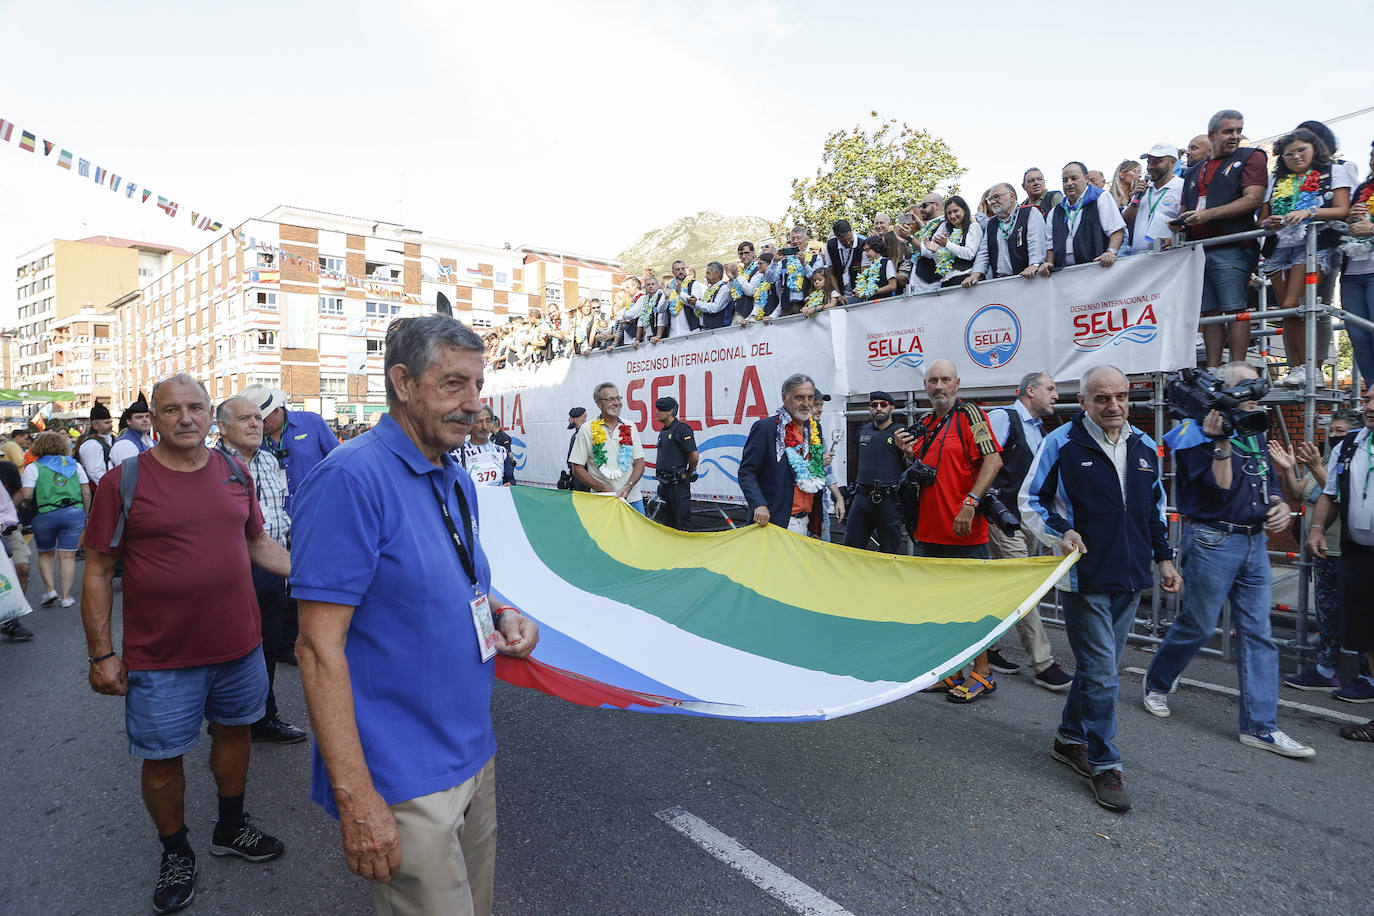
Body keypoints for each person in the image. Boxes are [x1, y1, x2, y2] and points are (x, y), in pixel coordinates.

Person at [289, 315, 539, 914]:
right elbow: (317, 649)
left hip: (473, 752)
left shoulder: (455, 474)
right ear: (403, 382)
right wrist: (358, 800)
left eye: (477, 386)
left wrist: (504, 612)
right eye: (454, 384)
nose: (473, 405)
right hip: (401, 778)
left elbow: (465, 578)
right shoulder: (350, 479)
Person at [81, 373, 292, 914]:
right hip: (161, 657)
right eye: (171, 410)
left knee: (235, 734)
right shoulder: (122, 482)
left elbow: (258, 544)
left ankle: (230, 826)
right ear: (153, 417)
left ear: (208, 414)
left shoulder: (232, 470)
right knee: (162, 758)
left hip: (240, 647)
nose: (186, 418)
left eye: (195, 407)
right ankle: (175, 850)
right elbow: (99, 571)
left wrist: (326, 577)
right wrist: (102, 653)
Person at [1019, 365, 1181, 812]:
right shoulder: (1062, 442)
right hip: (1084, 577)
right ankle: (1106, 764)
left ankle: (1070, 738)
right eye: (1103, 398)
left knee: (1097, 670)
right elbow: (1029, 499)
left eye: (1121, 397)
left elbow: (1155, 509)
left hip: (1130, 577)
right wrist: (1061, 533)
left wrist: (1164, 558)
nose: (1114, 406)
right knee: (1105, 673)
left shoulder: (1145, 445)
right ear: (1085, 401)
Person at [1145, 361, 1315, 759]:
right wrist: (1220, 442)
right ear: (1223, 394)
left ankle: (1261, 727)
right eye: (1249, 392)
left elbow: (1266, 478)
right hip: (1212, 540)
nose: (1257, 400)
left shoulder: (1253, 424)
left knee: (1259, 634)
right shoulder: (1190, 432)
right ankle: (1157, 681)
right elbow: (1219, 490)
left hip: (1254, 543)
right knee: (1199, 626)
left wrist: (1277, 504)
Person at [894, 359, 1003, 703]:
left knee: (973, 606)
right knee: (940, 608)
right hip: (929, 530)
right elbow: (924, 473)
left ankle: (983, 674)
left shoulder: (970, 415)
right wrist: (905, 454)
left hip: (965, 530)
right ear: (925, 386)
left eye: (945, 380)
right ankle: (951, 670)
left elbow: (994, 460)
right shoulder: (925, 424)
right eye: (932, 381)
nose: (938, 386)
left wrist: (970, 502)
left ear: (957, 384)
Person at [215, 396, 309, 745]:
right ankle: (228, 717)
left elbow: (278, 511)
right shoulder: (212, 465)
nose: (255, 423)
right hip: (232, 571)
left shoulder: (269, 460)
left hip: (272, 565)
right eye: (245, 418)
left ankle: (262, 717)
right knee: (233, 647)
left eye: (258, 417)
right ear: (222, 427)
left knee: (268, 645)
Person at [984, 372, 1072, 691]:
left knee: (1003, 587)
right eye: (1050, 389)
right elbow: (979, 460)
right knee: (1025, 588)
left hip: (1028, 519)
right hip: (1002, 518)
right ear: (1030, 391)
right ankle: (1042, 663)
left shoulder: (1039, 430)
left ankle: (986, 649)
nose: (1056, 395)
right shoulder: (1003, 417)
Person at [1274, 409, 1367, 691]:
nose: (1333, 435)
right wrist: (1288, 469)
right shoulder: (1327, 458)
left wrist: (1315, 467)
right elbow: (1296, 495)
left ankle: (1367, 677)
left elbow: (1340, 491)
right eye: (1332, 430)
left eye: (1340, 431)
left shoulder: (1356, 459)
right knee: (1327, 614)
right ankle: (1326, 670)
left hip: (1349, 552)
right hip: (1324, 553)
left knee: (1359, 615)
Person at [1259, 129, 1352, 388]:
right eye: (1289, 153)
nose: (1296, 156)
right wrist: (1270, 221)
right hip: (1280, 248)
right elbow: (1262, 219)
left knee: (1296, 304)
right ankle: (1297, 368)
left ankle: (1313, 369)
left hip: (1314, 244)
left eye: (1302, 150)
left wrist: (1309, 211)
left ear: (1315, 148)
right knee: (1288, 311)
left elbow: (1342, 209)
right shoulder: (1275, 179)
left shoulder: (1334, 171)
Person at [1177, 109, 1269, 369]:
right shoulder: (1195, 170)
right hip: (1198, 250)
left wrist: (1207, 215)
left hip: (1233, 245)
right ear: (1212, 134)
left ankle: (1237, 369)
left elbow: (1252, 199)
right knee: (1209, 313)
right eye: (1229, 131)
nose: (1235, 136)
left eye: (1239, 131)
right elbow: (1187, 208)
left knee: (1235, 310)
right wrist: (1179, 225)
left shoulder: (1251, 156)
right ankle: (1215, 370)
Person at [1306, 390, 1374, 705]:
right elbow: (1329, 493)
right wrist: (1318, 528)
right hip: (1357, 553)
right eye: (1368, 400)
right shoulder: (1349, 445)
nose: (1370, 407)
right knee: (1363, 627)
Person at [738, 373, 824, 535]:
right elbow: (746, 472)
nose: (806, 404)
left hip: (806, 521)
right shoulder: (766, 428)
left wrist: (818, 522)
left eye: (810, 398)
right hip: (774, 521)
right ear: (785, 398)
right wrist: (759, 504)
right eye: (800, 397)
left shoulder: (815, 429)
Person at [16, 430, 90, 608]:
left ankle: (50, 590)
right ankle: (66, 597)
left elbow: (27, 494)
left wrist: (28, 504)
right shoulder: (75, 465)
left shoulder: (34, 467)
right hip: (73, 513)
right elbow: (86, 492)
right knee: (67, 556)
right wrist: (86, 514)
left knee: (45, 553)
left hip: (44, 514)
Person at [842, 391, 908, 554]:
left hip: (888, 500)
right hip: (861, 498)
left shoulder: (901, 432)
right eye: (874, 405)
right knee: (850, 550)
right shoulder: (863, 431)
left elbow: (910, 465)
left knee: (889, 552)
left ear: (892, 408)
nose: (878, 408)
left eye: (883, 405)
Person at [569, 382, 647, 512]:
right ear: (598, 404)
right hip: (602, 501)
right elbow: (577, 468)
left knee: (638, 533)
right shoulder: (587, 429)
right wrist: (603, 488)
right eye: (610, 399)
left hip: (632, 499)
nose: (616, 403)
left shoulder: (630, 426)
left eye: (618, 398)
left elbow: (640, 463)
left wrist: (628, 486)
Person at [964, 183, 1050, 286]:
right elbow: (983, 252)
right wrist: (975, 274)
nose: (992, 202)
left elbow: (1036, 242)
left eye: (996, 197)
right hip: (1001, 283)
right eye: (990, 199)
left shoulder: (1029, 212)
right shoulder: (991, 223)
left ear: (1012, 197)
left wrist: (1034, 264)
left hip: (1029, 280)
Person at [1048, 161, 1126, 271]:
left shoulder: (1101, 198)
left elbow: (1116, 230)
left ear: (1086, 179)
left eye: (1074, 178)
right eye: (1065, 180)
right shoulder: (1055, 211)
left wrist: (1111, 252)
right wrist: (1049, 263)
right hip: (1063, 274)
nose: (1069, 183)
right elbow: (1050, 245)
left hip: (1096, 270)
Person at [1341, 142, 1374, 383]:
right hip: (1352, 273)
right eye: (1372, 154)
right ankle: (1371, 390)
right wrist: (1349, 217)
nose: (1373, 159)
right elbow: (1346, 227)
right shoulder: (1363, 188)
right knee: (1358, 336)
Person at [1123, 143, 1185, 255]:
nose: (1151, 167)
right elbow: (1124, 223)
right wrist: (1135, 201)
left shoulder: (1182, 187)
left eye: (1157, 162)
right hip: (1138, 258)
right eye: (1149, 162)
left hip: (1168, 256)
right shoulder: (1143, 189)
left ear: (1173, 162)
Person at [653, 396, 698, 531]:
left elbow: (693, 456)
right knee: (669, 521)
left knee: (682, 520)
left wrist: (689, 472)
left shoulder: (682, 429)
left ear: (669, 412)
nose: (657, 412)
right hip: (664, 483)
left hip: (678, 484)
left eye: (661, 410)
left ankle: (688, 549)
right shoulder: (664, 431)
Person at [923, 195, 982, 288]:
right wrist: (935, 251)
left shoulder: (973, 227)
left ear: (964, 210)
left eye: (955, 211)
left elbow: (969, 254)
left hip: (965, 280)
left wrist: (947, 244)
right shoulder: (948, 233)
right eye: (949, 213)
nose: (952, 215)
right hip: (947, 281)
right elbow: (944, 263)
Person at [811, 392, 845, 543]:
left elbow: (827, 471)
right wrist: (818, 463)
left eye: (821, 405)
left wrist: (839, 498)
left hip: (821, 505)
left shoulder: (817, 429)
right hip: (803, 509)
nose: (820, 409)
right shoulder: (790, 432)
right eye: (816, 405)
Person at [454, 406, 515, 487]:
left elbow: (510, 479)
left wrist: (509, 484)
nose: (484, 426)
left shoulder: (501, 452)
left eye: (488, 421)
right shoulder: (457, 455)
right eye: (479, 421)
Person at [108, 392, 154, 467]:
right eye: (139, 417)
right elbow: (129, 476)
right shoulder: (124, 445)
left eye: (147, 416)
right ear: (129, 421)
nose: (145, 420)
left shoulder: (151, 441)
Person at [76, 402, 115, 489]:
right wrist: (110, 488)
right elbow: (95, 472)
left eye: (110, 422)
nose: (111, 426)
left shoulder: (108, 439)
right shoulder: (91, 444)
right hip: (99, 490)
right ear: (95, 425)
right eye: (106, 423)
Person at [826, 219, 865, 296]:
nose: (848, 243)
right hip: (840, 290)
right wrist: (838, 294)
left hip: (858, 292)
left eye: (850, 238)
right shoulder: (830, 246)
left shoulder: (862, 244)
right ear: (837, 238)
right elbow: (831, 272)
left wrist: (860, 290)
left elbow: (864, 271)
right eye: (843, 241)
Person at [853, 235, 898, 300]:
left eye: (867, 250)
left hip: (885, 302)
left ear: (877, 248)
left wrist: (872, 292)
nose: (865, 253)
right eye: (864, 251)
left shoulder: (887, 262)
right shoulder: (869, 268)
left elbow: (893, 286)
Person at [664, 261, 702, 335]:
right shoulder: (670, 286)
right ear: (673, 272)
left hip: (690, 331)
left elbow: (694, 303)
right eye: (677, 270)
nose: (681, 271)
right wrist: (666, 298)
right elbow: (661, 310)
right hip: (673, 332)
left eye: (682, 269)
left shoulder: (693, 284)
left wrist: (680, 293)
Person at [694, 261, 733, 330]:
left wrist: (697, 303)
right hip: (705, 329)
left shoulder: (723, 288)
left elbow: (715, 307)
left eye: (708, 273)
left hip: (717, 330)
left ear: (716, 274)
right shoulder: (709, 289)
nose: (705, 276)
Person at [565, 407, 589, 492]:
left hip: (583, 478)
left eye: (571, 417)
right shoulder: (580, 433)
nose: (569, 420)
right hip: (580, 477)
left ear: (576, 418)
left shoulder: (582, 435)